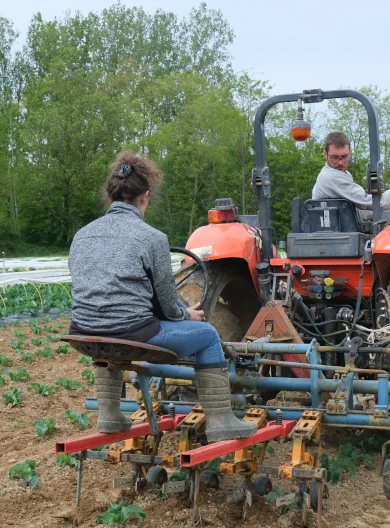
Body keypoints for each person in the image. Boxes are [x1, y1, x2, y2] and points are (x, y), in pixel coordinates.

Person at [68, 151, 257, 442]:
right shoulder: (152, 238)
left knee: (107, 336)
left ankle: (109, 415)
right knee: (207, 335)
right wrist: (187, 315)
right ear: (144, 197)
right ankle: (220, 421)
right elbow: (168, 305)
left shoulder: (81, 235)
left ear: (110, 197)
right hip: (131, 333)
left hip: (85, 334)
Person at [312, 131, 390, 216]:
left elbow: (356, 211)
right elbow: (367, 201)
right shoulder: (331, 177)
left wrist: (382, 210)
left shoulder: (341, 174)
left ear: (350, 153)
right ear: (325, 154)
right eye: (335, 157)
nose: (340, 162)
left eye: (344, 157)